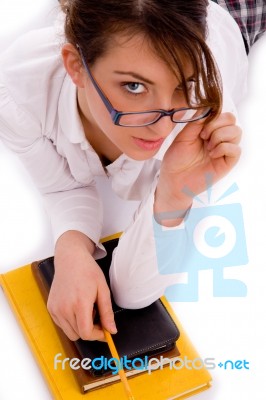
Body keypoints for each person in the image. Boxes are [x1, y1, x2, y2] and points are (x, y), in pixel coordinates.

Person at [0, 0, 249, 342]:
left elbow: (134, 292)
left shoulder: (201, 115)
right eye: (134, 87)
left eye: (182, 85)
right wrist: (72, 247)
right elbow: (61, 187)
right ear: (75, 66)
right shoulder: (20, 87)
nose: (162, 128)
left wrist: (175, 193)